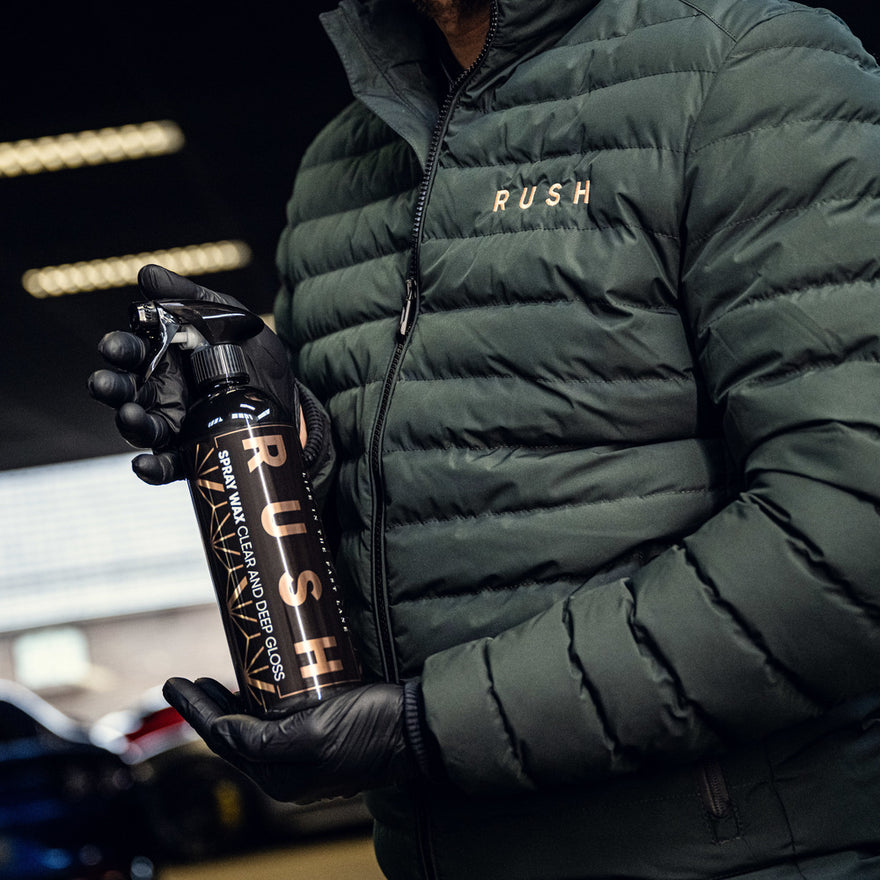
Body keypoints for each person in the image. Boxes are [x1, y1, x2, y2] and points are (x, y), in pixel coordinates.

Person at [89, 0, 880, 877]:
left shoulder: (749, 69)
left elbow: (846, 542)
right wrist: (295, 456)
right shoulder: (336, 170)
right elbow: (440, 549)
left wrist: (430, 727)